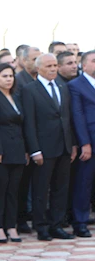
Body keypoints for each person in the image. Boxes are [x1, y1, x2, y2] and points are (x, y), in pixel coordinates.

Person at [22, 53, 77, 241]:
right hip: (43, 148)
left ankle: (57, 224)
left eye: (55, 65)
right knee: (40, 189)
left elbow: (67, 118)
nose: (53, 68)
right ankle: (41, 226)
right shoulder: (30, 90)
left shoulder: (62, 87)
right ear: (39, 68)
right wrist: (34, 149)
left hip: (63, 146)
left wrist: (73, 144)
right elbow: (29, 122)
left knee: (61, 188)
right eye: (49, 66)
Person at [0, 63, 26, 243]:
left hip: (18, 149)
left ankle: (11, 226)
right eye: (4, 76)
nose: (8, 79)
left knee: (13, 191)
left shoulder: (16, 97)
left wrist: (26, 150)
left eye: (10, 76)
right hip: (1, 149)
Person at [66, 51, 95, 237]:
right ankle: (80, 222)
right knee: (84, 183)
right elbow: (78, 116)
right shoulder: (75, 85)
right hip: (90, 142)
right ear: (83, 65)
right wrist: (84, 143)